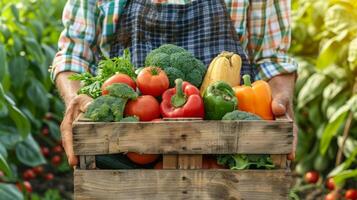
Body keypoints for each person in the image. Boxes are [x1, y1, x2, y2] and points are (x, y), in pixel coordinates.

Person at [51, 0, 297, 166]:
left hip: (227, 154)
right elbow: (74, 53)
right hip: (125, 151)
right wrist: (75, 98)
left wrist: (281, 99)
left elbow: (273, 59)